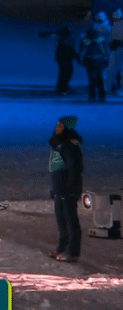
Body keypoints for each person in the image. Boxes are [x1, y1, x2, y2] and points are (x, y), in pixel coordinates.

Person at [48, 115, 84, 263]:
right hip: (59, 189)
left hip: (67, 190)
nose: (57, 128)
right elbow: (56, 168)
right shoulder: (59, 145)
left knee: (70, 221)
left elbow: (74, 169)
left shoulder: (70, 146)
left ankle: (72, 252)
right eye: (57, 125)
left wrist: (69, 188)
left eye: (61, 126)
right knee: (61, 221)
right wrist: (55, 189)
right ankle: (62, 247)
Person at [38, 25, 79, 95]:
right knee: (65, 73)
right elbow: (72, 50)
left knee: (65, 73)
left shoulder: (65, 38)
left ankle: (63, 88)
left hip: (64, 58)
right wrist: (78, 58)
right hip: (64, 58)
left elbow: (72, 50)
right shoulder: (64, 38)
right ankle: (62, 88)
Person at [79, 27, 108, 102]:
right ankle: (102, 96)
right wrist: (106, 60)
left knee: (91, 78)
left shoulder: (85, 40)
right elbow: (105, 50)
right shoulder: (100, 39)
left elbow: (82, 51)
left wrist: (81, 60)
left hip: (90, 60)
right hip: (99, 60)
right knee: (100, 78)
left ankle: (92, 96)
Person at [108, 9, 123, 93]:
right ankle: (113, 86)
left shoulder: (116, 25)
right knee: (113, 69)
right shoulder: (114, 25)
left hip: (118, 49)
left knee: (117, 69)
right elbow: (111, 38)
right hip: (116, 49)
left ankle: (116, 87)